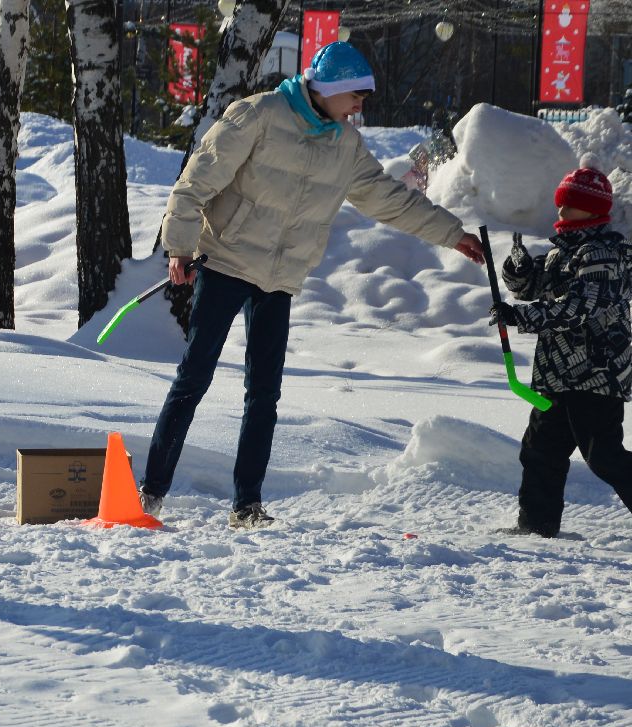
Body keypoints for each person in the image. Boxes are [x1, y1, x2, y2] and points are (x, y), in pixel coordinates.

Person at [143, 42, 485, 529]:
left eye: (363, 97)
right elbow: (196, 180)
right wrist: (178, 246)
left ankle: (247, 505)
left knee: (264, 392)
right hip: (226, 260)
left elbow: (390, 200)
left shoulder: (345, 144)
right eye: (355, 96)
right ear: (327, 91)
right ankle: (151, 491)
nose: (360, 106)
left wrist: (452, 234)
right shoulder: (259, 114)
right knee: (193, 378)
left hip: (280, 276)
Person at [494, 159, 632, 537]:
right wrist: (518, 270)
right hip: (557, 376)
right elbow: (529, 288)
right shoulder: (562, 253)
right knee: (540, 451)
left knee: (604, 457)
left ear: (594, 209)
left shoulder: (602, 254)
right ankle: (536, 526)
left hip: (597, 374)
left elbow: (581, 308)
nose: (561, 208)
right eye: (560, 201)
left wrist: (522, 317)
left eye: (570, 202)